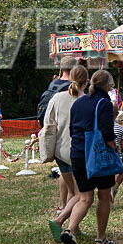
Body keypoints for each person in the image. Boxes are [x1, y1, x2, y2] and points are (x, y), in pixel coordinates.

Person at [59, 70, 119, 244]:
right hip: (98, 155)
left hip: (77, 154)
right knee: (103, 196)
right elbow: (107, 133)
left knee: (84, 197)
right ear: (108, 86)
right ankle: (100, 237)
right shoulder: (105, 103)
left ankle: (69, 230)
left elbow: (71, 129)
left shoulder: (78, 103)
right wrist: (115, 149)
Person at [46, 65, 88, 224]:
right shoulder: (87, 101)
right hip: (78, 152)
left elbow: (48, 123)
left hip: (59, 151)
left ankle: (71, 227)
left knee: (73, 193)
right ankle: (63, 223)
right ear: (87, 82)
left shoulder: (56, 98)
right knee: (81, 195)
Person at [40, 56, 78, 211]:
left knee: (64, 171)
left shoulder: (53, 84)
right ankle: (69, 205)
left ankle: (62, 203)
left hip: (53, 133)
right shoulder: (70, 88)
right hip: (67, 135)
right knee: (72, 176)